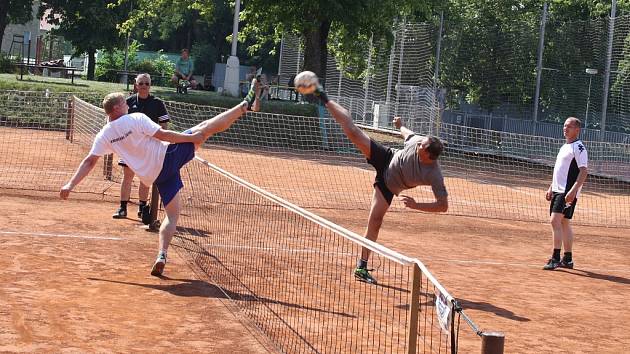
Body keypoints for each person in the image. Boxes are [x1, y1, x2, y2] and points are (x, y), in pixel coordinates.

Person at [60, 81, 261, 276]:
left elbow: (89, 161)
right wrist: (192, 138)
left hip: (154, 176)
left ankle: (162, 254)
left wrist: (70, 184)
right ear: (117, 108)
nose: (127, 104)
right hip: (167, 158)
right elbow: (164, 135)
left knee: (172, 215)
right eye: (124, 102)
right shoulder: (136, 118)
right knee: (205, 128)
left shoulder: (104, 134)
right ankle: (243, 106)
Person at [294, 71, 448, 284]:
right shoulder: (418, 142)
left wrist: (416, 205)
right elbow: (407, 134)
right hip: (386, 157)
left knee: (375, 221)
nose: (418, 144)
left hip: (389, 185)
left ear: (428, 156)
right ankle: (323, 96)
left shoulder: (434, 175)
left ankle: (362, 267)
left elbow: (443, 206)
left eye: (422, 146)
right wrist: (399, 124)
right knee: (354, 132)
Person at [113, 73, 170, 219]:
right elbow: (119, 122)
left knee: (145, 178)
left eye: (147, 83)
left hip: (148, 147)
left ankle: (143, 208)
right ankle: (122, 207)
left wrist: (161, 141)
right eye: (141, 83)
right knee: (128, 176)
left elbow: (164, 126)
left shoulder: (158, 103)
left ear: (150, 85)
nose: (144, 86)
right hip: (130, 147)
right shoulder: (128, 102)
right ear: (136, 85)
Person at [543, 117, 588, 270]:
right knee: (564, 222)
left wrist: (574, 190)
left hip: (566, 192)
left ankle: (555, 258)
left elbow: (583, 171)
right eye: (564, 126)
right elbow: (560, 171)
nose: (565, 129)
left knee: (554, 221)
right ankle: (567, 259)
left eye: (569, 126)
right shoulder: (565, 146)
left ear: (577, 130)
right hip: (558, 190)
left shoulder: (579, 147)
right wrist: (551, 187)